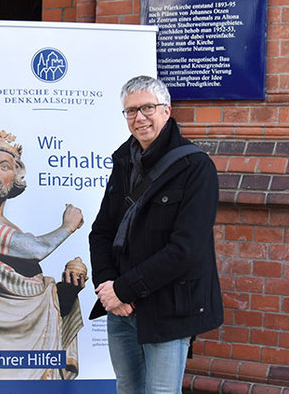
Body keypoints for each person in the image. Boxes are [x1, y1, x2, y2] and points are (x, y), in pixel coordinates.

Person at [89, 75, 223, 393]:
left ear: (167, 110)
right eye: (131, 111)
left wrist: (124, 289)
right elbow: (101, 232)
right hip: (121, 307)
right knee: (128, 388)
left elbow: (185, 250)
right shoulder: (124, 162)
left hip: (168, 308)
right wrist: (110, 288)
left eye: (148, 107)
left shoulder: (196, 168)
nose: (139, 118)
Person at [0, 129, 86, 380]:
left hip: (33, 346)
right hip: (0, 351)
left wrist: (68, 289)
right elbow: (35, 250)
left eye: (4, 166)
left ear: (14, 178)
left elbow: (31, 291)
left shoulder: (9, 227)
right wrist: (67, 227)